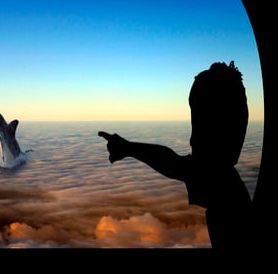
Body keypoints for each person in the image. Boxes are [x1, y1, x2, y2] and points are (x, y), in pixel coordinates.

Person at [98, 61, 253, 250]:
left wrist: (128, 148)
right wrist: (128, 148)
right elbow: (177, 165)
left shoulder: (228, 208)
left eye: (202, 124)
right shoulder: (228, 191)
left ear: (224, 127)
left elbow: (175, 164)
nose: (192, 140)